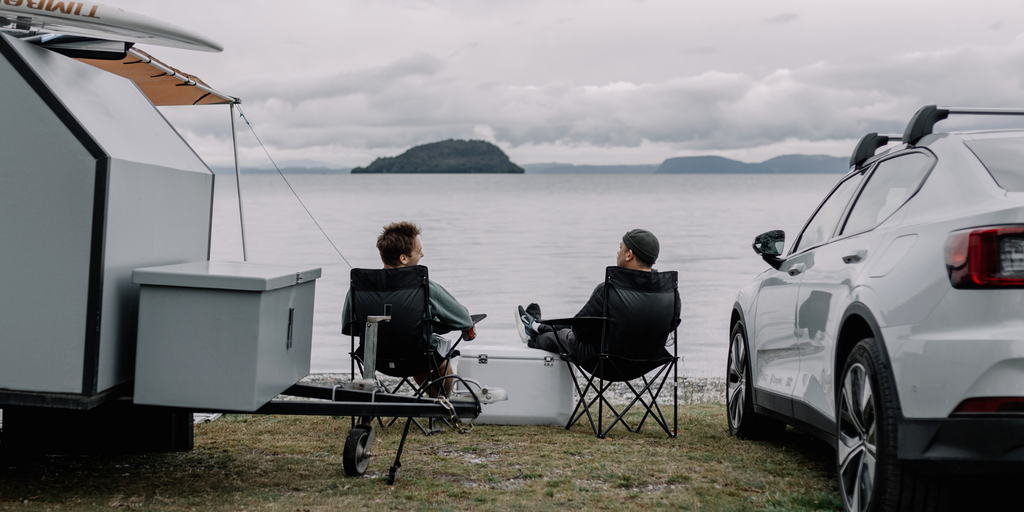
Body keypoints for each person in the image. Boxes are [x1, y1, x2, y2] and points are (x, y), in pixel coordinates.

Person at [342, 221, 475, 396]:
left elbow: (349, 327)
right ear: (403, 258)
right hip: (417, 360)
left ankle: (436, 402)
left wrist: (388, 331)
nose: (422, 254)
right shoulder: (424, 286)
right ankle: (442, 403)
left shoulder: (360, 287)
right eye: (419, 251)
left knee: (422, 353)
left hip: (375, 361)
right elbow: (463, 318)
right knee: (438, 355)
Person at [516, 228, 678, 362]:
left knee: (560, 336)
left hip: (606, 362)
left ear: (629, 255)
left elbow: (579, 332)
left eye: (620, 247)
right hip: (648, 361)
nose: (617, 252)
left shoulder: (610, 290)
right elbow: (670, 327)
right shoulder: (671, 294)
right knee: (591, 325)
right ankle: (537, 325)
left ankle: (533, 332)